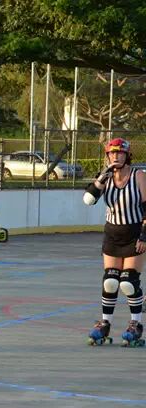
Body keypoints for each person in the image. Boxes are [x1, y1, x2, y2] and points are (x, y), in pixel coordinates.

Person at [83, 138, 146, 347]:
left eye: (120, 153)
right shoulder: (106, 178)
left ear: (127, 156)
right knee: (110, 282)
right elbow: (88, 200)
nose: (116, 156)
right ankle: (105, 324)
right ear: (108, 156)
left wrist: (144, 236)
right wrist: (102, 177)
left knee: (128, 282)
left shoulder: (138, 176)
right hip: (112, 235)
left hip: (135, 235)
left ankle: (135, 324)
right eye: (112, 153)